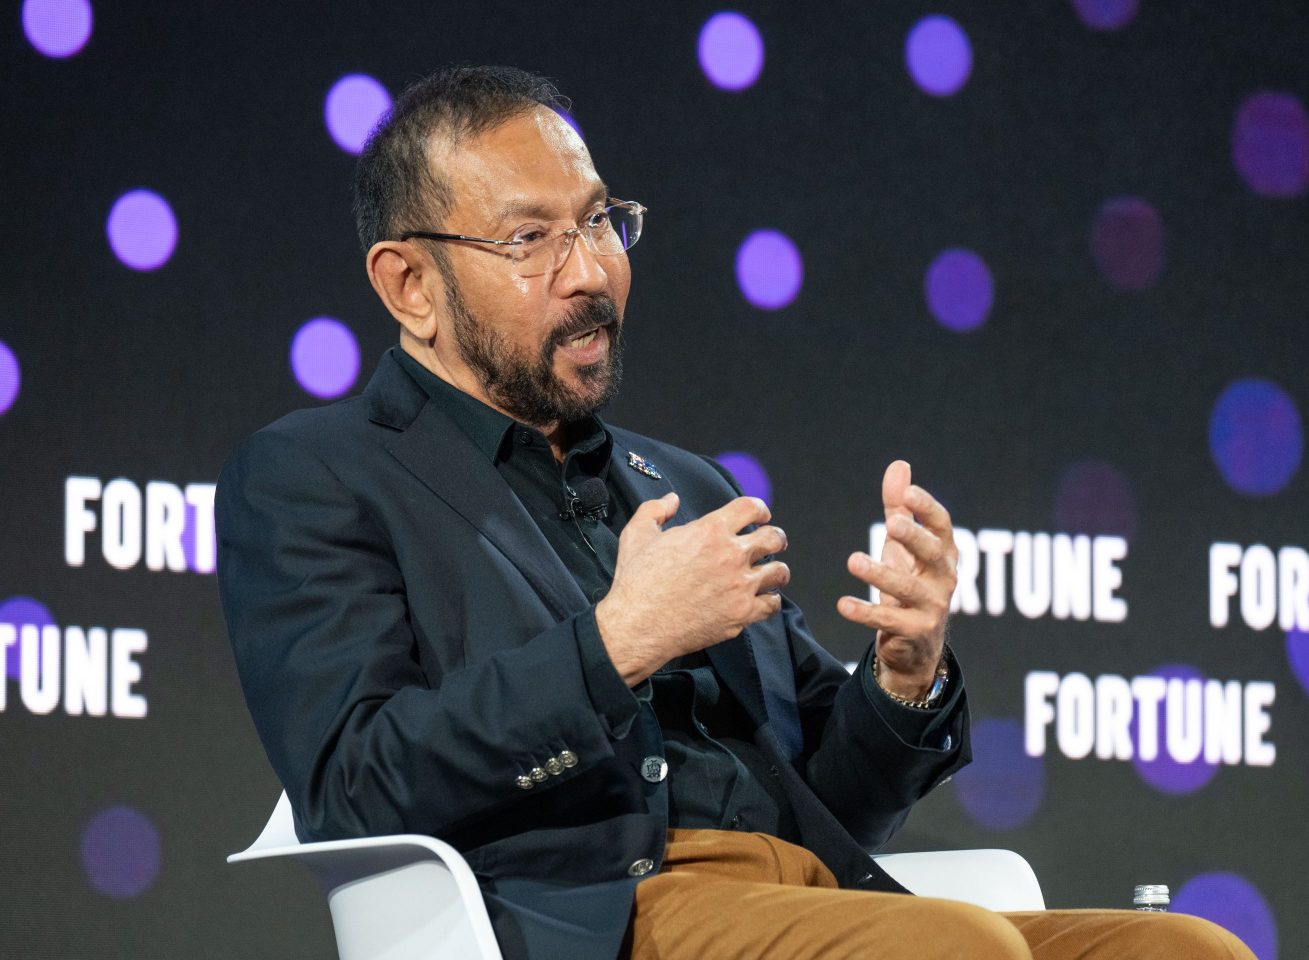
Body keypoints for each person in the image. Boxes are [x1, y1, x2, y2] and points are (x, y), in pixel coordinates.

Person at [216, 65, 1253, 960]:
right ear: (410, 286)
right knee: (962, 947)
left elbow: (839, 807)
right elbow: (353, 784)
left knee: (1188, 946)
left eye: (599, 222)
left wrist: (902, 676)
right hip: (593, 916)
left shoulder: (684, 486)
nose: (591, 274)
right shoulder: (317, 476)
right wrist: (615, 644)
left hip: (801, 898)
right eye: (531, 239)